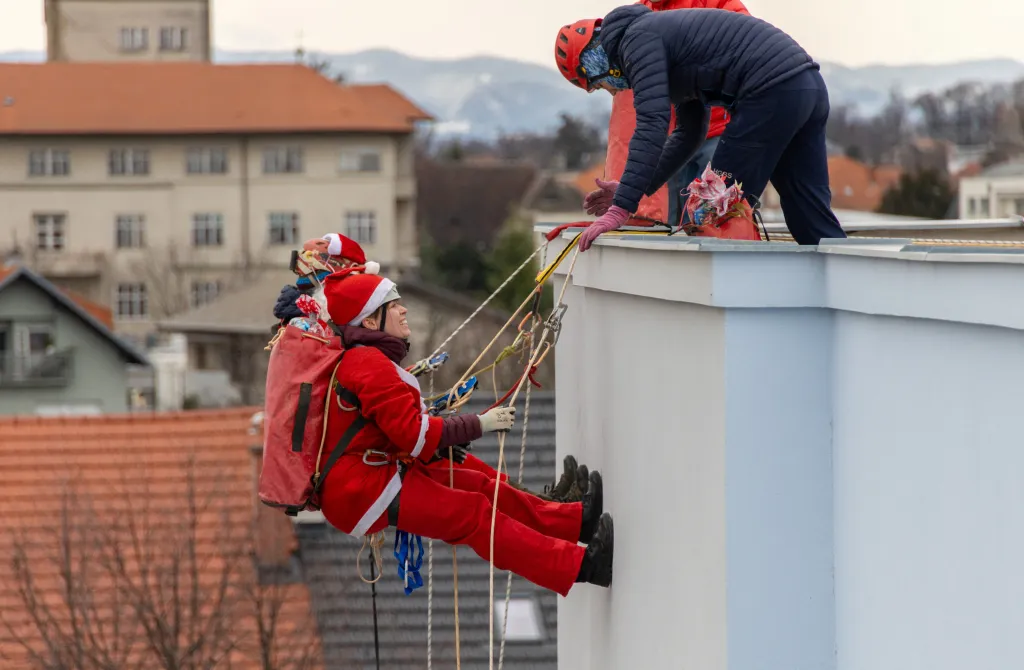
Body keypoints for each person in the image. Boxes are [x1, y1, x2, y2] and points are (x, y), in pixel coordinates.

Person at [316, 269, 614, 594]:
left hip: (371, 475)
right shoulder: (369, 365)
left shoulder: (365, 360)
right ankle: (582, 566)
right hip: (363, 491)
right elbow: (415, 437)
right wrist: (479, 424)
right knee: (472, 515)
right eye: (393, 304)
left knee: (477, 485)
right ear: (370, 322)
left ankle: (572, 522)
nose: (403, 310)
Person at [556, 5, 848, 249]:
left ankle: (742, 309)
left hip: (770, 91)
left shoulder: (636, 41)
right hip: (806, 87)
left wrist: (621, 208)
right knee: (809, 216)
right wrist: (634, 187)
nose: (609, 89)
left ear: (593, 60)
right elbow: (689, 133)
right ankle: (850, 295)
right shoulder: (662, 39)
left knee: (708, 210)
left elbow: (652, 123)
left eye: (597, 82)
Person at [597, 0, 751, 230]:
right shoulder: (638, 15)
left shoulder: (719, 3)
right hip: (679, 131)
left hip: (721, 130)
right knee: (679, 223)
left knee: (717, 217)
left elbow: (747, 47)